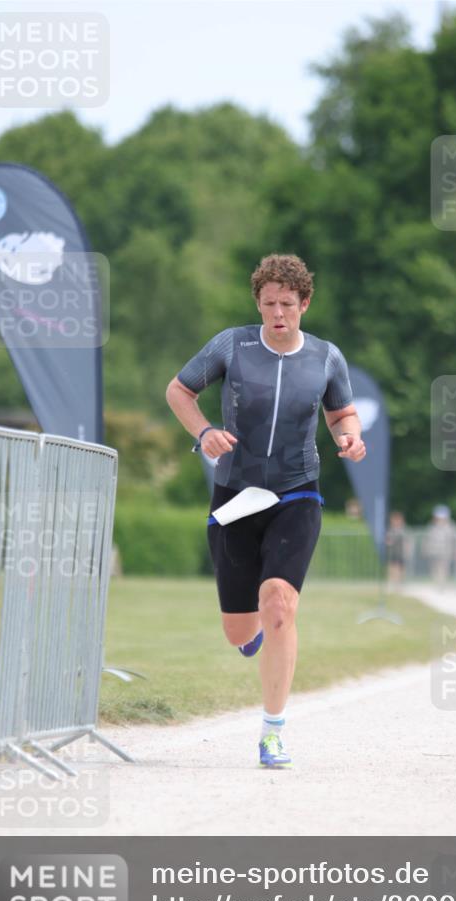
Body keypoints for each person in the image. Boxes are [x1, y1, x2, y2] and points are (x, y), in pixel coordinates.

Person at [165, 254, 366, 769]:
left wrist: (349, 437)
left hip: (297, 492)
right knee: (240, 629)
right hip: (235, 495)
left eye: (288, 304)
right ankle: (250, 635)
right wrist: (205, 432)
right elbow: (179, 390)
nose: (278, 313)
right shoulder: (232, 345)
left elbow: (341, 412)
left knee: (279, 604)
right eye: (269, 303)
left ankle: (272, 732)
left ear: (304, 304)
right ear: (258, 303)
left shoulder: (325, 357)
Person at [424, 504, 456, 589]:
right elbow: (427, 538)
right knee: (434, 567)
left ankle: (442, 584)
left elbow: (454, 540)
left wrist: (455, 551)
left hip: (446, 551)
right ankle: (436, 583)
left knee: (444, 567)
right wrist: (425, 548)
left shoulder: (451, 526)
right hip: (434, 550)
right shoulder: (431, 526)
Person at [385, 511, 409, 590]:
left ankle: (399, 584)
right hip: (392, 552)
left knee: (400, 568)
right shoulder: (390, 530)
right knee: (391, 567)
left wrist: (407, 550)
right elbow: (387, 540)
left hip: (400, 552)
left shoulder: (403, 530)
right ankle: (392, 583)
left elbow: (407, 541)